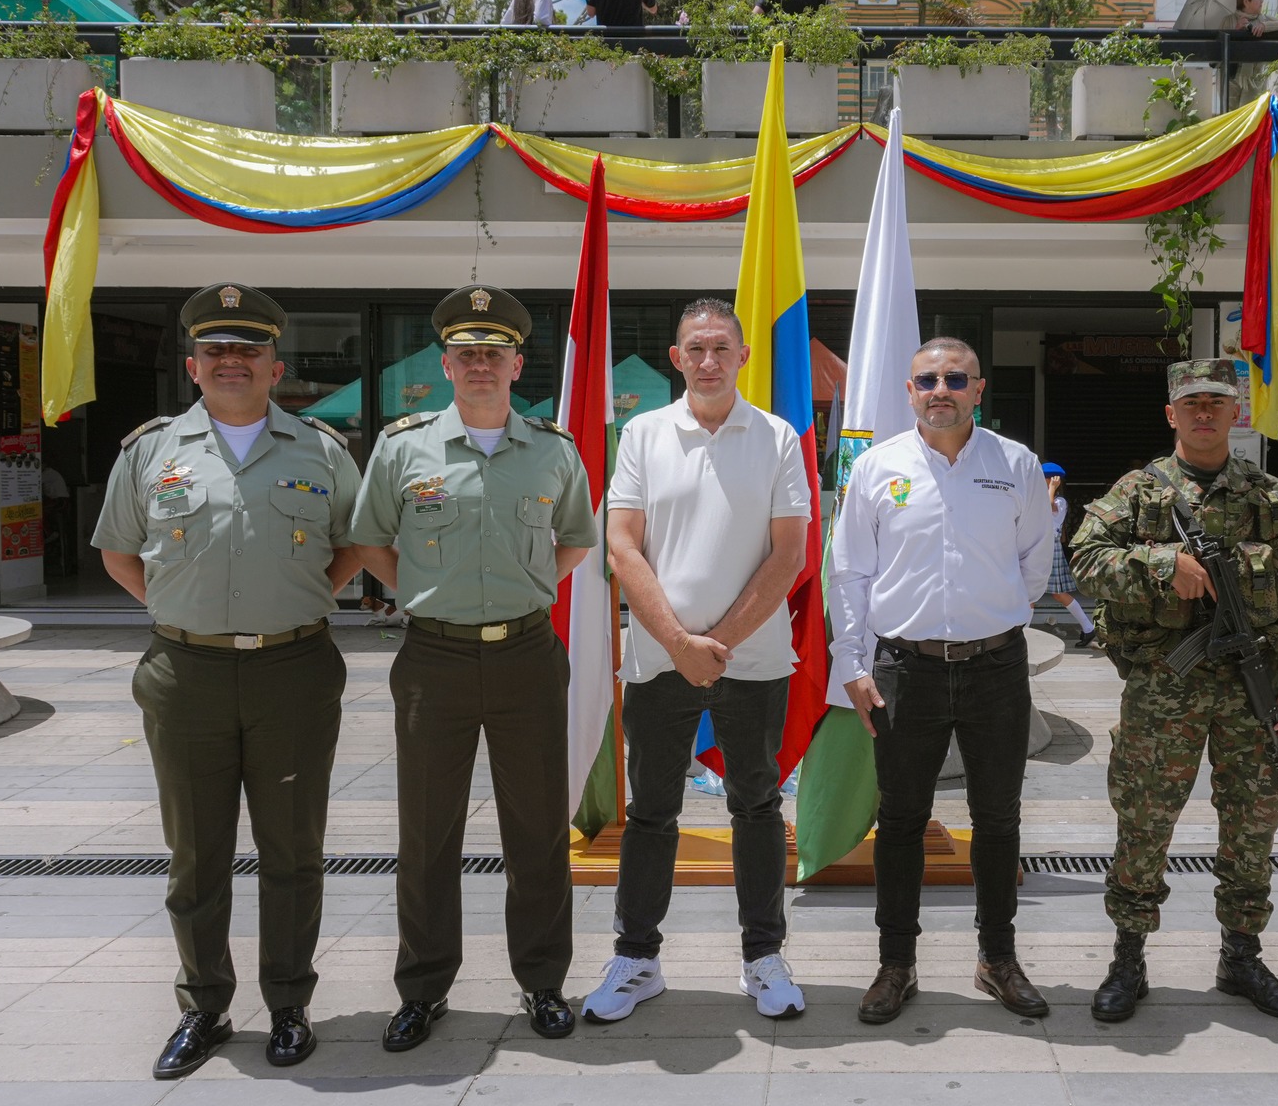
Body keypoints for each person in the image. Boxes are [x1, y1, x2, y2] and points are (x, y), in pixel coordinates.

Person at [92, 284, 363, 1080]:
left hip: (292, 670)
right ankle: (204, 1005)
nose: (231, 361)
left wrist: (298, 600)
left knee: (293, 849)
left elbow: (354, 542)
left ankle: (288, 1003)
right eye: (216, 350)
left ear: (276, 365)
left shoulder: (322, 450)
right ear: (193, 366)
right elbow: (118, 551)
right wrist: (182, 610)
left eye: (248, 349)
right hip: (188, 674)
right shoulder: (150, 451)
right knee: (196, 852)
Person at [349, 285, 598, 1049]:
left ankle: (543, 980)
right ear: (446, 364)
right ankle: (423, 988)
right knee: (428, 831)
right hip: (435, 658)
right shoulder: (404, 447)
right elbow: (370, 540)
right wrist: (429, 592)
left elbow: (575, 539)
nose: (480, 364)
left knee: (538, 829)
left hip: (527, 654)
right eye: (466, 353)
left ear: (518, 364)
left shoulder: (553, 450)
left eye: (494, 352)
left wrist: (525, 588)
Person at [1069, 359, 1278, 1025]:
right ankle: (1128, 956)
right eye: (1193, 404)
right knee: (1145, 818)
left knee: (1254, 820)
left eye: (1217, 402)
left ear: (1235, 412)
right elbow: (1085, 560)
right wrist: (1164, 563)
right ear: (1172, 414)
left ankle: (1241, 955)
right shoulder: (1137, 492)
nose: (1206, 413)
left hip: (1257, 686)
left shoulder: (1270, 495)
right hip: (1168, 684)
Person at [582, 299, 813, 1025]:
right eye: (695, 348)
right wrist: (682, 645)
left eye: (721, 347)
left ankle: (763, 956)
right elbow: (622, 545)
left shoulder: (777, 436)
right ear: (676, 358)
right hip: (659, 662)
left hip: (755, 661)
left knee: (757, 808)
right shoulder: (644, 433)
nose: (708, 360)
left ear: (743, 356)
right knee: (651, 813)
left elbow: (790, 553)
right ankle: (637, 958)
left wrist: (719, 644)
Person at [829, 337, 1054, 1025]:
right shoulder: (877, 467)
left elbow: (1034, 563)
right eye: (927, 380)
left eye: (956, 379)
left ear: (979, 389)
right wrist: (853, 665)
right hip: (906, 670)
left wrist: (989, 614)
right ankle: (896, 963)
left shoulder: (1015, 464)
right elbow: (850, 572)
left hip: (996, 667)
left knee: (998, 818)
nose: (941, 391)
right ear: (909, 390)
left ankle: (997, 958)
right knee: (900, 820)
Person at [1039, 461, 1097, 648]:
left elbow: (1048, 506)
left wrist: (1052, 488)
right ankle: (1088, 628)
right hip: (1038, 547)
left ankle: (1088, 627)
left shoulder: (1059, 501)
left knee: (1056, 593)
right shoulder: (1039, 496)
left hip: (1049, 548)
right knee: (1030, 594)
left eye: (1045, 478)